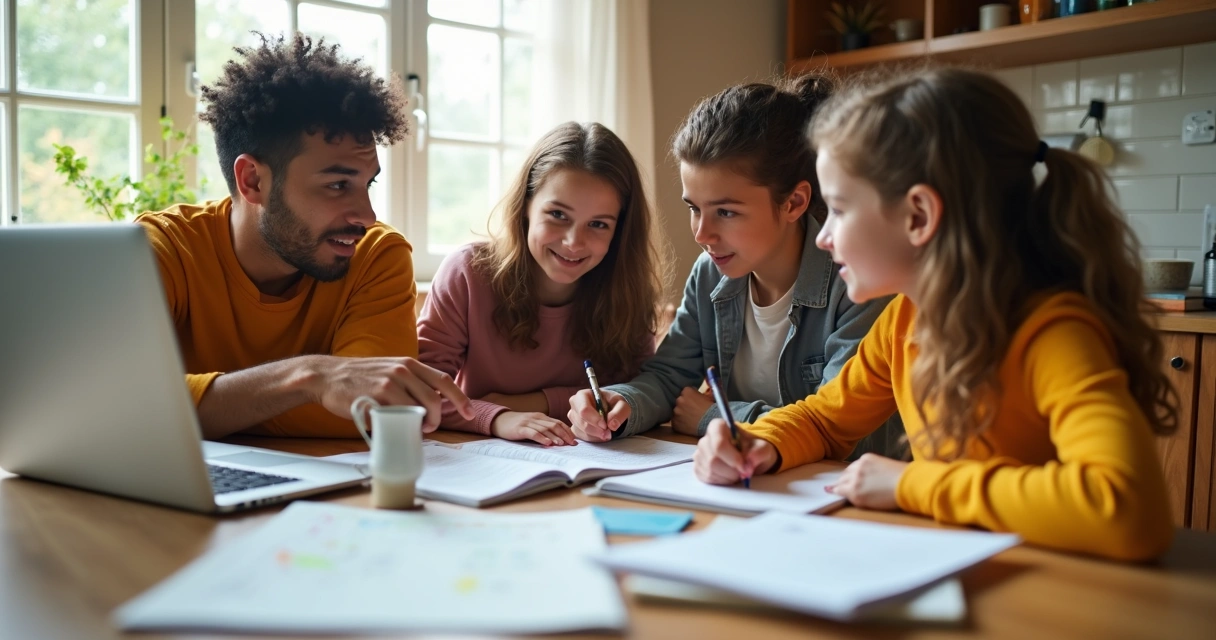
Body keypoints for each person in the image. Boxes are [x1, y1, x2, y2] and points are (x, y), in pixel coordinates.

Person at [693, 67, 1177, 561]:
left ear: (918, 216)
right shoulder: (906, 320)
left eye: (838, 209)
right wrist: (759, 442)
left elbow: (1129, 509)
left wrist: (913, 483)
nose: (823, 236)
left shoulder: (1052, 333)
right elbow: (825, 420)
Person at [137, 33, 471, 440]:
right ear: (252, 180)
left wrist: (195, 406)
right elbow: (109, 400)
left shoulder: (377, 254)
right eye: (337, 186)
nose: (367, 217)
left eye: (368, 185)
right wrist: (310, 378)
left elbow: (372, 411)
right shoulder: (159, 250)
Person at [567, 75, 900, 459]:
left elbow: (840, 429)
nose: (701, 233)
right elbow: (669, 377)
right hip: (752, 479)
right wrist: (619, 404)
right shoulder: (711, 272)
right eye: (694, 208)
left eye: (725, 212)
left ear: (793, 203)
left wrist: (714, 417)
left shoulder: (859, 282)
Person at [417, 122, 666, 446]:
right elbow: (420, 394)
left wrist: (540, 403)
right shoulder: (467, 273)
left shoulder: (626, 288)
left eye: (598, 224)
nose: (574, 242)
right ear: (525, 207)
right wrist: (499, 418)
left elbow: (643, 394)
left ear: (619, 231)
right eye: (558, 215)